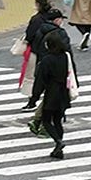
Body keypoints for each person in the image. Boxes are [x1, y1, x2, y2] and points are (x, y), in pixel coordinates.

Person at [35, 32, 73, 161]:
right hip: (63, 92)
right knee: (57, 120)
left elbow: (40, 80)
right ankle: (58, 149)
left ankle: (58, 141)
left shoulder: (47, 60)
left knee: (46, 120)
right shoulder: (64, 56)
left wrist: (34, 97)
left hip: (52, 93)